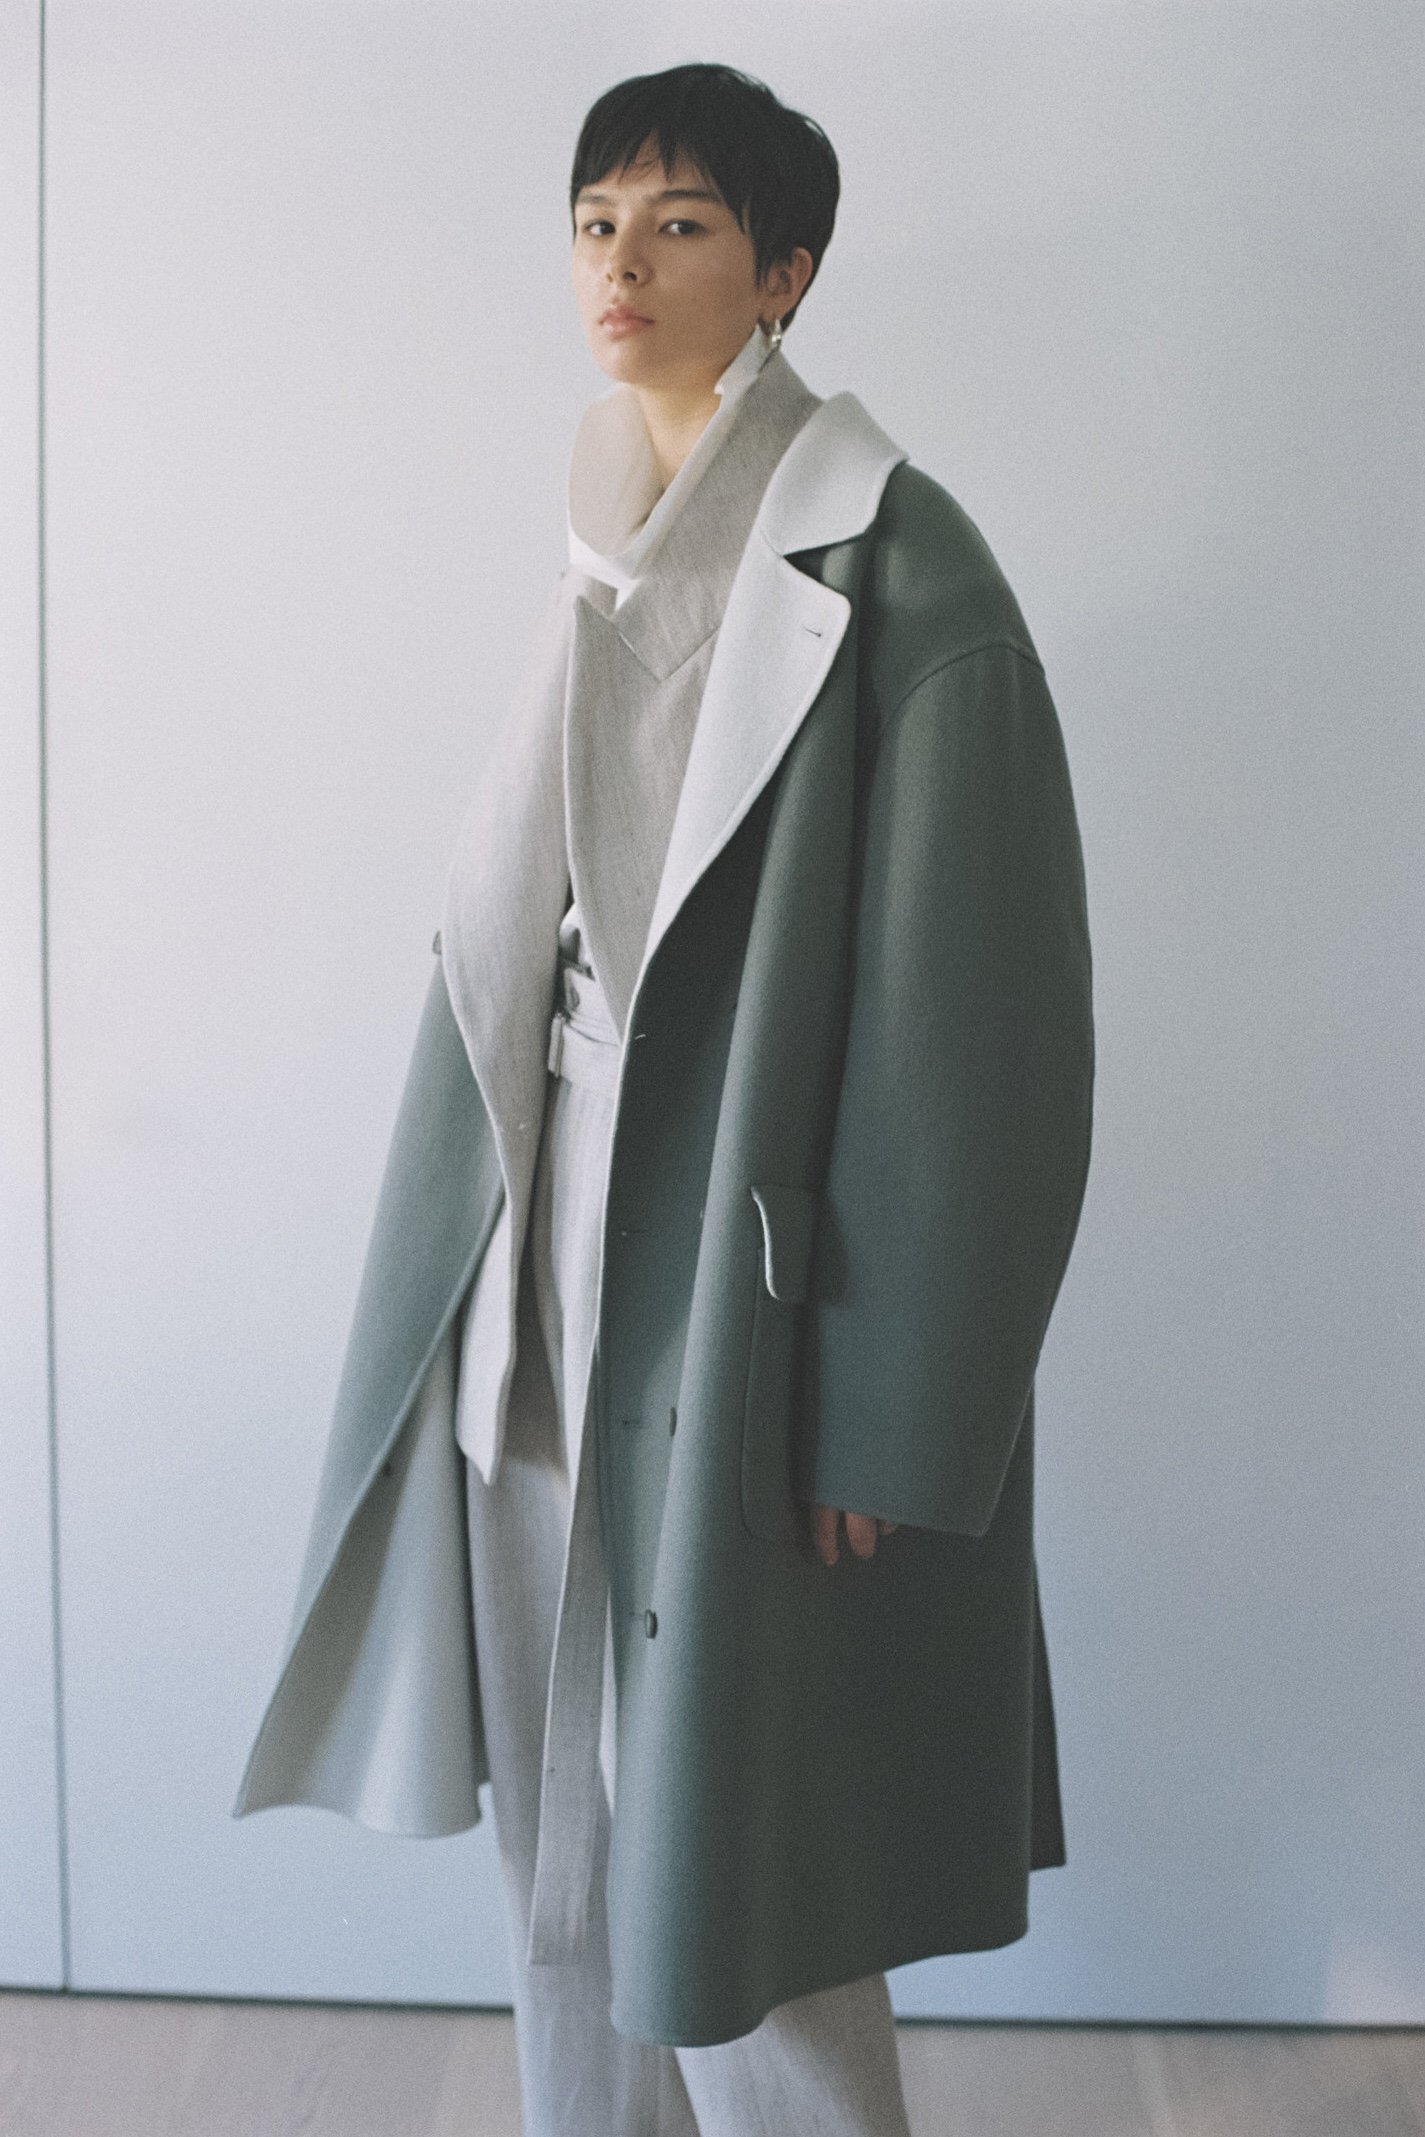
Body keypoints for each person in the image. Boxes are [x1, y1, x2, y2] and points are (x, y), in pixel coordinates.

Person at [237, 62, 1094, 2137]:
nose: (620, 260)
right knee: (566, 1844)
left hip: (743, 1310)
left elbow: (984, 1046)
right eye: (594, 219)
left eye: (680, 222)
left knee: (734, 1869)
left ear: (783, 272)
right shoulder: (604, 537)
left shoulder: (904, 572)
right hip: (539, 1262)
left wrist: (889, 1415)